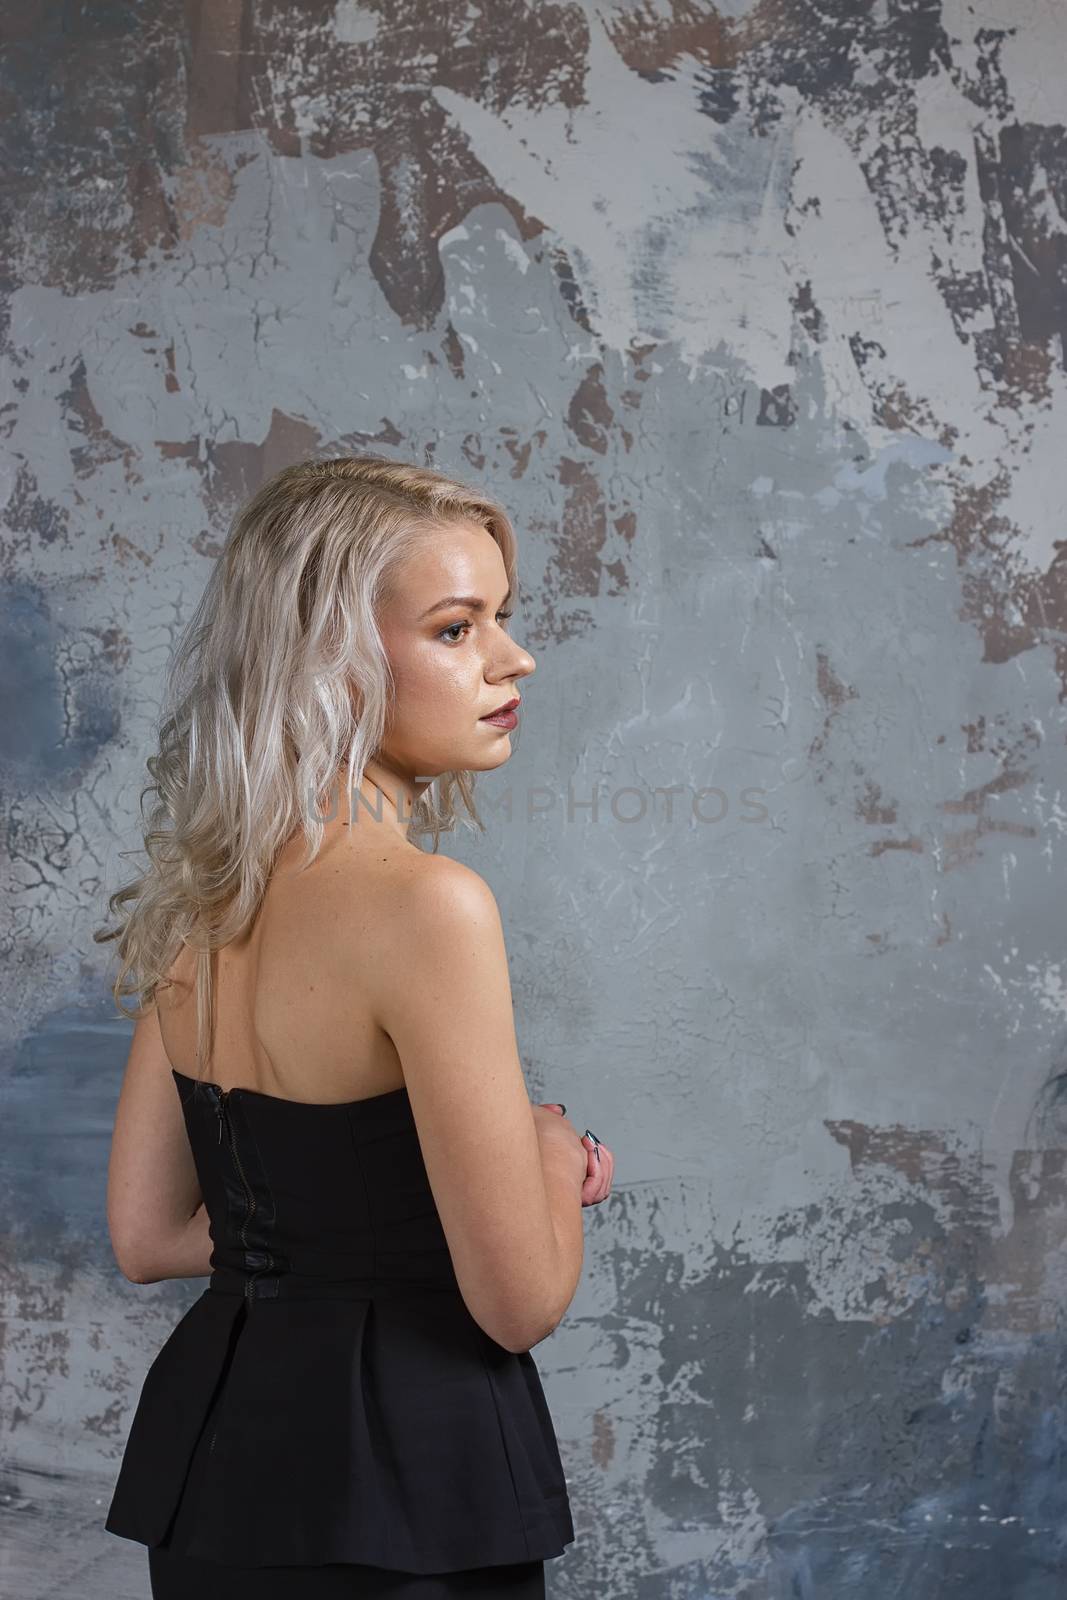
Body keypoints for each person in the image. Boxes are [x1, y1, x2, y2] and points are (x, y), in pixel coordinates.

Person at [96, 454, 615, 1598]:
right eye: (454, 628)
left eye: (501, 620)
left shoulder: (203, 899)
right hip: (410, 1486)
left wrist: (371, 1235)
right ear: (330, 660)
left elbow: (147, 1231)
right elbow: (517, 1301)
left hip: (215, 1469)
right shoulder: (431, 905)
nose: (511, 656)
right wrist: (544, 1156)